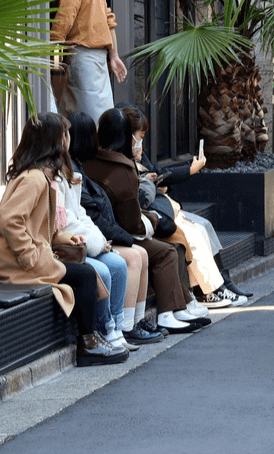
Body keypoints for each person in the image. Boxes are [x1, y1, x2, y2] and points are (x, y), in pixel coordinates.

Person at [0, 113, 129, 366]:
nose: (69, 140)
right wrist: (29, 256)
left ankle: (92, 339)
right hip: (16, 265)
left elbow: (40, 226)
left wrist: (64, 237)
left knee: (86, 274)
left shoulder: (42, 176)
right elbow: (11, 220)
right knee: (86, 275)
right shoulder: (33, 178)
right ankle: (88, 343)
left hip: (32, 257)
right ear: (55, 140)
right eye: (65, 134)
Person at [80, 107, 207, 334]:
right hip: (118, 233)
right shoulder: (123, 168)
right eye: (138, 136)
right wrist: (153, 219)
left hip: (100, 231)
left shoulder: (88, 162)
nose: (140, 143)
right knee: (165, 251)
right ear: (126, 136)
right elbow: (133, 225)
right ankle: (149, 318)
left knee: (164, 249)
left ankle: (167, 311)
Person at [116, 104, 248, 308]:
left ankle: (222, 284)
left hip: (161, 209)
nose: (141, 143)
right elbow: (137, 194)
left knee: (204, 226)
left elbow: (153, 173)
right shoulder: (120, 163)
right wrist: (153, 185)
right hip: (152, 216)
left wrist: (165, 179)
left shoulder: (135, 155)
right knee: (193, 234)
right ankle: (206, 290)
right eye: (140, 136)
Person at [67, 112, 164, 344]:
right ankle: (117, 326)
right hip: (83, 241)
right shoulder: (74, 171)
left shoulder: (80, 167)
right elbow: (86, 216)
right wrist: (111, 240)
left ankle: (130, 323)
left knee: (137, 255)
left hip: (95, 236)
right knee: (128, 259)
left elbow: (85, 214)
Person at [50, 0, 127, 124]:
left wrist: (48, 48)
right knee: (84, 117)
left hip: (83, 57)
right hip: (94, 58)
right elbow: (109, 18)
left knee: (87, 121)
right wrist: (114, 55)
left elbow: (64, 17)